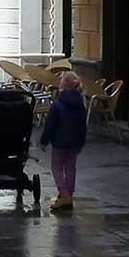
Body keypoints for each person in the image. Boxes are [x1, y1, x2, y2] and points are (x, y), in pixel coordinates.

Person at [39, 71, 89, 213]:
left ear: (63, 85)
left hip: (59, 143)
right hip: (74, 143)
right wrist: (81, 142)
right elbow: (82, 126)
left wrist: (44, 141)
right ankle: (69, 196)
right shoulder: (81, 104)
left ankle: (64, 194)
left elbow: (50, 125)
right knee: (70, 168)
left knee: (57, 168)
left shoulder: (58, 104)